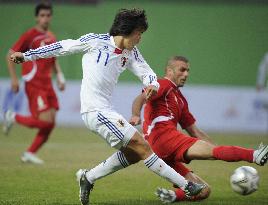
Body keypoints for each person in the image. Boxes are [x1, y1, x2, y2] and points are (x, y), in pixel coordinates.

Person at [10, 8, 206, 205]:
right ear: (127, 29)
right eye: (138, 32)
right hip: (94, 110)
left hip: (107, 110)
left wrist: (152, 86)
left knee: (133, 154)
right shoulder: (95, 41)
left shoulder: (131, 52)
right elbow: (62, 46)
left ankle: (89, 177)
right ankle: (186, 185)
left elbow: (147, 73)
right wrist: (27, 56)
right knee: (142, 145)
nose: (139, 37)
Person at [130, 55, 268, 203]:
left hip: (161, 153)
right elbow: (141, 98)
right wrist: (135, 115)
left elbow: (195, 132)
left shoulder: (181, 100)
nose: (186, 74)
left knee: (203, 190)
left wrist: (220, 151)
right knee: (214, 153)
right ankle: (255, 155)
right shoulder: (163, 84)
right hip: (164, 138)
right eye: (182, 70)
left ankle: (172, 196)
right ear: (169, 71)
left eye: (188, 71)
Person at [3, 2, 65, 164]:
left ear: (51, 17)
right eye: (42, 15)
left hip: (48, 83)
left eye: (48, 15)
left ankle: (29, 153)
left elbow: (54, 60)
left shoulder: (51, 36)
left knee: (50, 123)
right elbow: (9, 55)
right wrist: (14, 79)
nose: (45, 18)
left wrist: (60, 76)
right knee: (44, 121)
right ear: (37, 18)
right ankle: (12, 116)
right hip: (34, 82)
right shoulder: (30, 35)